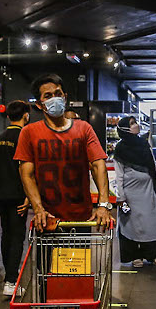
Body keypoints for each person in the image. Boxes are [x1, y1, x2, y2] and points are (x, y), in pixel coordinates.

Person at [14, 73, 113, 230]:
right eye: (48, 96)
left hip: (81, 218)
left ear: (65, 97)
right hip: (48, 219)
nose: (55, 98)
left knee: (79, 255)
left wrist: (103, 204)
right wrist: (38, 209)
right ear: (39, 104)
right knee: (46, 255)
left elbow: (97, 165)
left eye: (58, 94)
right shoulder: (29, 132)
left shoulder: (84, 129)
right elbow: (27, 174)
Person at [0, 100, 30, 296]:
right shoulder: (25, 136)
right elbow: (26, 171)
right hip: (17, 194)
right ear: (26, 116)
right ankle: (11, 281)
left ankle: (9, 277)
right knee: (17, 236)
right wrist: (29, 197)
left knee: (6, 233)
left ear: (7, 116)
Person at [113, 116, 156, 267]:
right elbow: (119, 175)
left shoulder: (144, 144)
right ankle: (135, 256)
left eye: (135, 122)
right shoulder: (120, 149)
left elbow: (153, 165)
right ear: (125, 129)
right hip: (129, 196)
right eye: (132, 123)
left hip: (148, 192)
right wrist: (121, 197)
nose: (136, 125)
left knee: (151, 222)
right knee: (129, 223)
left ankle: (153, 254)